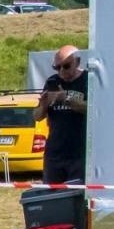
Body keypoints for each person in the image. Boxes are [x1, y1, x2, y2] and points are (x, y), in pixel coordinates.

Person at [35, 45, 89, 185]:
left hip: (79, 154)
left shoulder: (87, 80)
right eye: (57, 67)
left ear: (77, 62)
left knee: (76, 197)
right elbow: (36, 116)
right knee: (51, 196)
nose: (61, 71)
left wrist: (66, 99)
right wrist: (44, 105)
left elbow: (92, 109)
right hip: (54, 153)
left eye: (66, 66)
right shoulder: (52, 82)